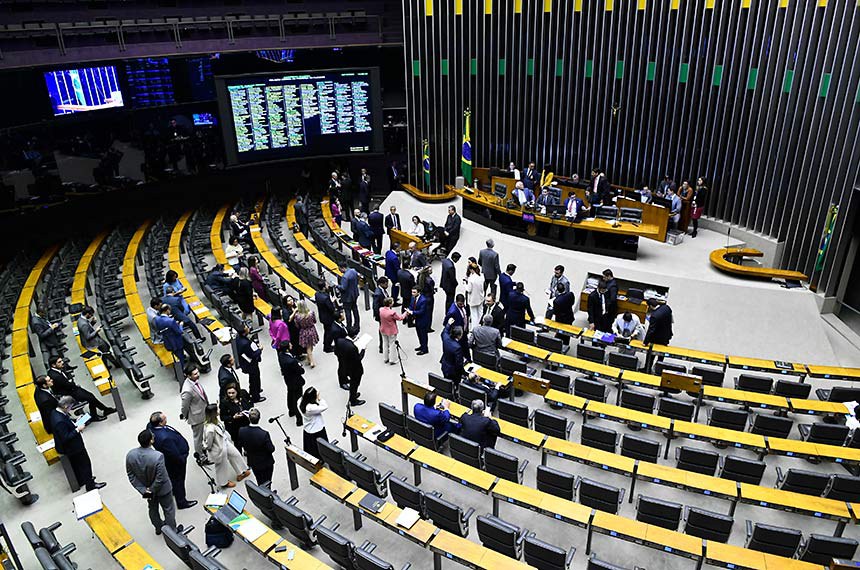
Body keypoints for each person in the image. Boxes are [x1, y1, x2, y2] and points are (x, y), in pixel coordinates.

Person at [126, 430, 179, 535]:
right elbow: (161, 477)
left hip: (146, 490)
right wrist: (152, 490)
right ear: (151, 441)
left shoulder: (130, 455)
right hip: (162, 490)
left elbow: (131, 475)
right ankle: (172, 532)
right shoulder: (158, 456)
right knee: (168, 509)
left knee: (153, 509)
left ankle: (158, 527)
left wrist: (145, 491)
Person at [51, 396, 106, 491]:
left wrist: (75, 423)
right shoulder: (59, 421)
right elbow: (65, 437)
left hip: (69, 446)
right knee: (85, 464)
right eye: (70, 407)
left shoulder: (55, 413)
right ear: (65, 406)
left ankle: (82, 480)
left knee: (78, 465)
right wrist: (77, 429)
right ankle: (90, 485)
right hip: (72, 447)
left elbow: (66, 426)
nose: (70, 409)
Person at [148, 411, 196, 510]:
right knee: (179, 480)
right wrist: (182, 459)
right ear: (160, 423)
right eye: (164, 419)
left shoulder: (150, 426)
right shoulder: (165, 438)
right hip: (175, 462)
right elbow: (174, 454)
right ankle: (181, 502)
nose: (166, 419)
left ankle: (174, 490)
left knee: (173, 478)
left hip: (168, 459)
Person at [47, 355, 115, 421]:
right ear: (53, 365)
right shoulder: (56, 376)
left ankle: (105, 410)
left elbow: (67, 380)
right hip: (69, 393)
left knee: (90, 396)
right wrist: (72, 383)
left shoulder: (54, 371)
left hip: (70, 389)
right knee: (90, 398)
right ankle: (96, 415)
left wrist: (71, 382)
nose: (62, 362)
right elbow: (68, 385)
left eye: (61, 361)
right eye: (59, 362)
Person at [202, 404, 251, 489]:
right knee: (221, 466)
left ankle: (241, 472)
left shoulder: (216, 421)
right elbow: (208, 444)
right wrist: (207, 448)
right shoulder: (210, 429)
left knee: (235, 455)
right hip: (219, 449)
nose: (219, 411)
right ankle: (223, 483)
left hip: (225, 442)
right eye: (217, 410)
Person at [237, 409, 276, 486]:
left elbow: (240, 444)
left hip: (253, 461)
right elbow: (271, 449)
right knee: (267, 481)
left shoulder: (241, 431)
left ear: (249, 418)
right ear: (259, 418)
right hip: (265, 463)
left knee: (259, 480)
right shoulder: (264, 434)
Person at [179, 365, 210, 458]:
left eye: (198, 372)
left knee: (203, 433)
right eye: (195, 374)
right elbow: (184, 406)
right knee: (198, 438)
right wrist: (186, 416)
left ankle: (202, 448)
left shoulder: (194, 381)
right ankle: (200, 455)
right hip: (197, 417)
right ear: (188, 376)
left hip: (203, 412)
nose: (198, 374)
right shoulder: (187, 390)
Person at [277, 340, 305, 425]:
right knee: (297, 399)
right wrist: (300, 367)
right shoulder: (291, 361)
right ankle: (299, 418)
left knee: (290, 394)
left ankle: (291, 411)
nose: (291, 345)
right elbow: (300, 370)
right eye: (290, 344)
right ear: (287, 349)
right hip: (295, 381)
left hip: (288, 379)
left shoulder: (281, 355)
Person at [235, 324, 265, 403]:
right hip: (250, 364)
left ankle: (256, 390)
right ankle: (256, 396)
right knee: (254, 379)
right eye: (247, 328)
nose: (248, 328)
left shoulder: (238, 337)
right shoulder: (245, 343)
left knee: (254, 378)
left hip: (246, 362)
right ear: (244, 332)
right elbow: (252, 355)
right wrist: (259, 349)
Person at [220, 383, 252, 453]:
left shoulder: (243, 395)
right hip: (234, 427)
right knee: (238, 444)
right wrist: (233, 417)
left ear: (237, 392)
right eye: (229, 393)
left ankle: (246, 451)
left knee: (247, 440)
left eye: (233, 393)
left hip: (245, 423)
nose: (231, 395)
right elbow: (222, 417)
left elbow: (250, 404)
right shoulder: (224, 402)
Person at [334, 335, 366, 406]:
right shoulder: (352, 347)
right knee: (354, 384)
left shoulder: (339, 340)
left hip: (345, 365)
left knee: (353, 383)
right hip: (354, 369)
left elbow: (336, 352)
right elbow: (358, 358)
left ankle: (353, 395)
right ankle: (353, 400)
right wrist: (363, 350)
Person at [154, 305, 186, 371]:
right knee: (180, 358)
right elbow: (179, 331)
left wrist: (174, 324)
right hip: (176, 343)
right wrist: (180, 325)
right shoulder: (171, 321)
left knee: (176, 356)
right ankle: (181, 372)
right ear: (167, 310)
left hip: (167, 342)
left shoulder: (157, 319)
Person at [300, 387, 328, 459]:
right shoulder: (311, 408)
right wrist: (319, 398)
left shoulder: (300, 402)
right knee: (320, 448)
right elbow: (325, 406)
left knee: (310, 448)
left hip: (307, 429)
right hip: (316, 430)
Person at [378, 297, 407, 365]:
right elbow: (400, 318)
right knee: (392, 344)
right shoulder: (392, 313)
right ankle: (392, 360)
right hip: (391, 331)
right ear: (390, 304)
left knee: (385, 343)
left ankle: (385, 358)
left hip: (383, 329)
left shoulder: (381, 309)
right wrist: (406, 313)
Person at [294, 301, 319, 368]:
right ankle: (312, 361)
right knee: (310, 346)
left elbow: (297, 325)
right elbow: (314, 321)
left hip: (304, 331)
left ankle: (309, 359)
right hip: (311, 330)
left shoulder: (297, 316)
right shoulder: (311, 313)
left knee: (308, 346)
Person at [314, 285, 338, 353]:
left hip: (322, 316)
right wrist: (332, 302)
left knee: (326, 331)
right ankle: (327, 347)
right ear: (324, 287)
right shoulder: (326, 298)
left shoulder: (317, 294)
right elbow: (331, 308)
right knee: (329, 333)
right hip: (328, 318)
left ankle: (326, 345)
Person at [338, 264, 360, 334]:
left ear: (342, 267)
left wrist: (337, 286)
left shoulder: (345, 277)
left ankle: (349, 327)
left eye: (340, 269)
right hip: (355, 293)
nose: (340, 271)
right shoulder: (353, 270)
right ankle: (357, 325)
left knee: (348, 312)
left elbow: (343, 288)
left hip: (347, 297)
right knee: (355, 309)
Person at [409, 287, 431, 355]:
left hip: (423, 320)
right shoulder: (413, 297)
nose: (412, 294)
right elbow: (411, 305)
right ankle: (422, 345)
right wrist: (409, 310)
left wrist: (412, 312)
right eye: (412, 292)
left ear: (419, 292)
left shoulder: (423, 300)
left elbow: (421, 311)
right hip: (417, 319)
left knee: (423, 335)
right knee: (419, 333)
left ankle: (425, 349)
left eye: (414, 292)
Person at [372, 277, 390, 353]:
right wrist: (379, 317)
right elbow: (375, 307)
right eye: (386, 284)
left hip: (386, 314)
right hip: (382, 316)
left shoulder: (382, 290)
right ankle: (382, 347)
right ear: (381, 284)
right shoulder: (378, 294)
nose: (387, 286)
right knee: (383, 331)